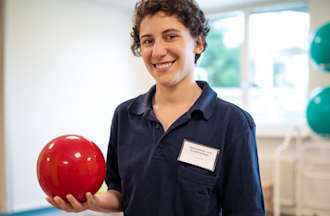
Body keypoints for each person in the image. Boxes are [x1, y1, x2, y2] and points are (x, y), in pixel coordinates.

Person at [47, 0, 265, 215]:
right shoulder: (124, 115)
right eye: (148, 41)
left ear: (198, 43)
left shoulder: (233, 122)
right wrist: (93, 202)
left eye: (170, 36)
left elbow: (246, 209)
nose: (158, 51)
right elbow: (120, 192)